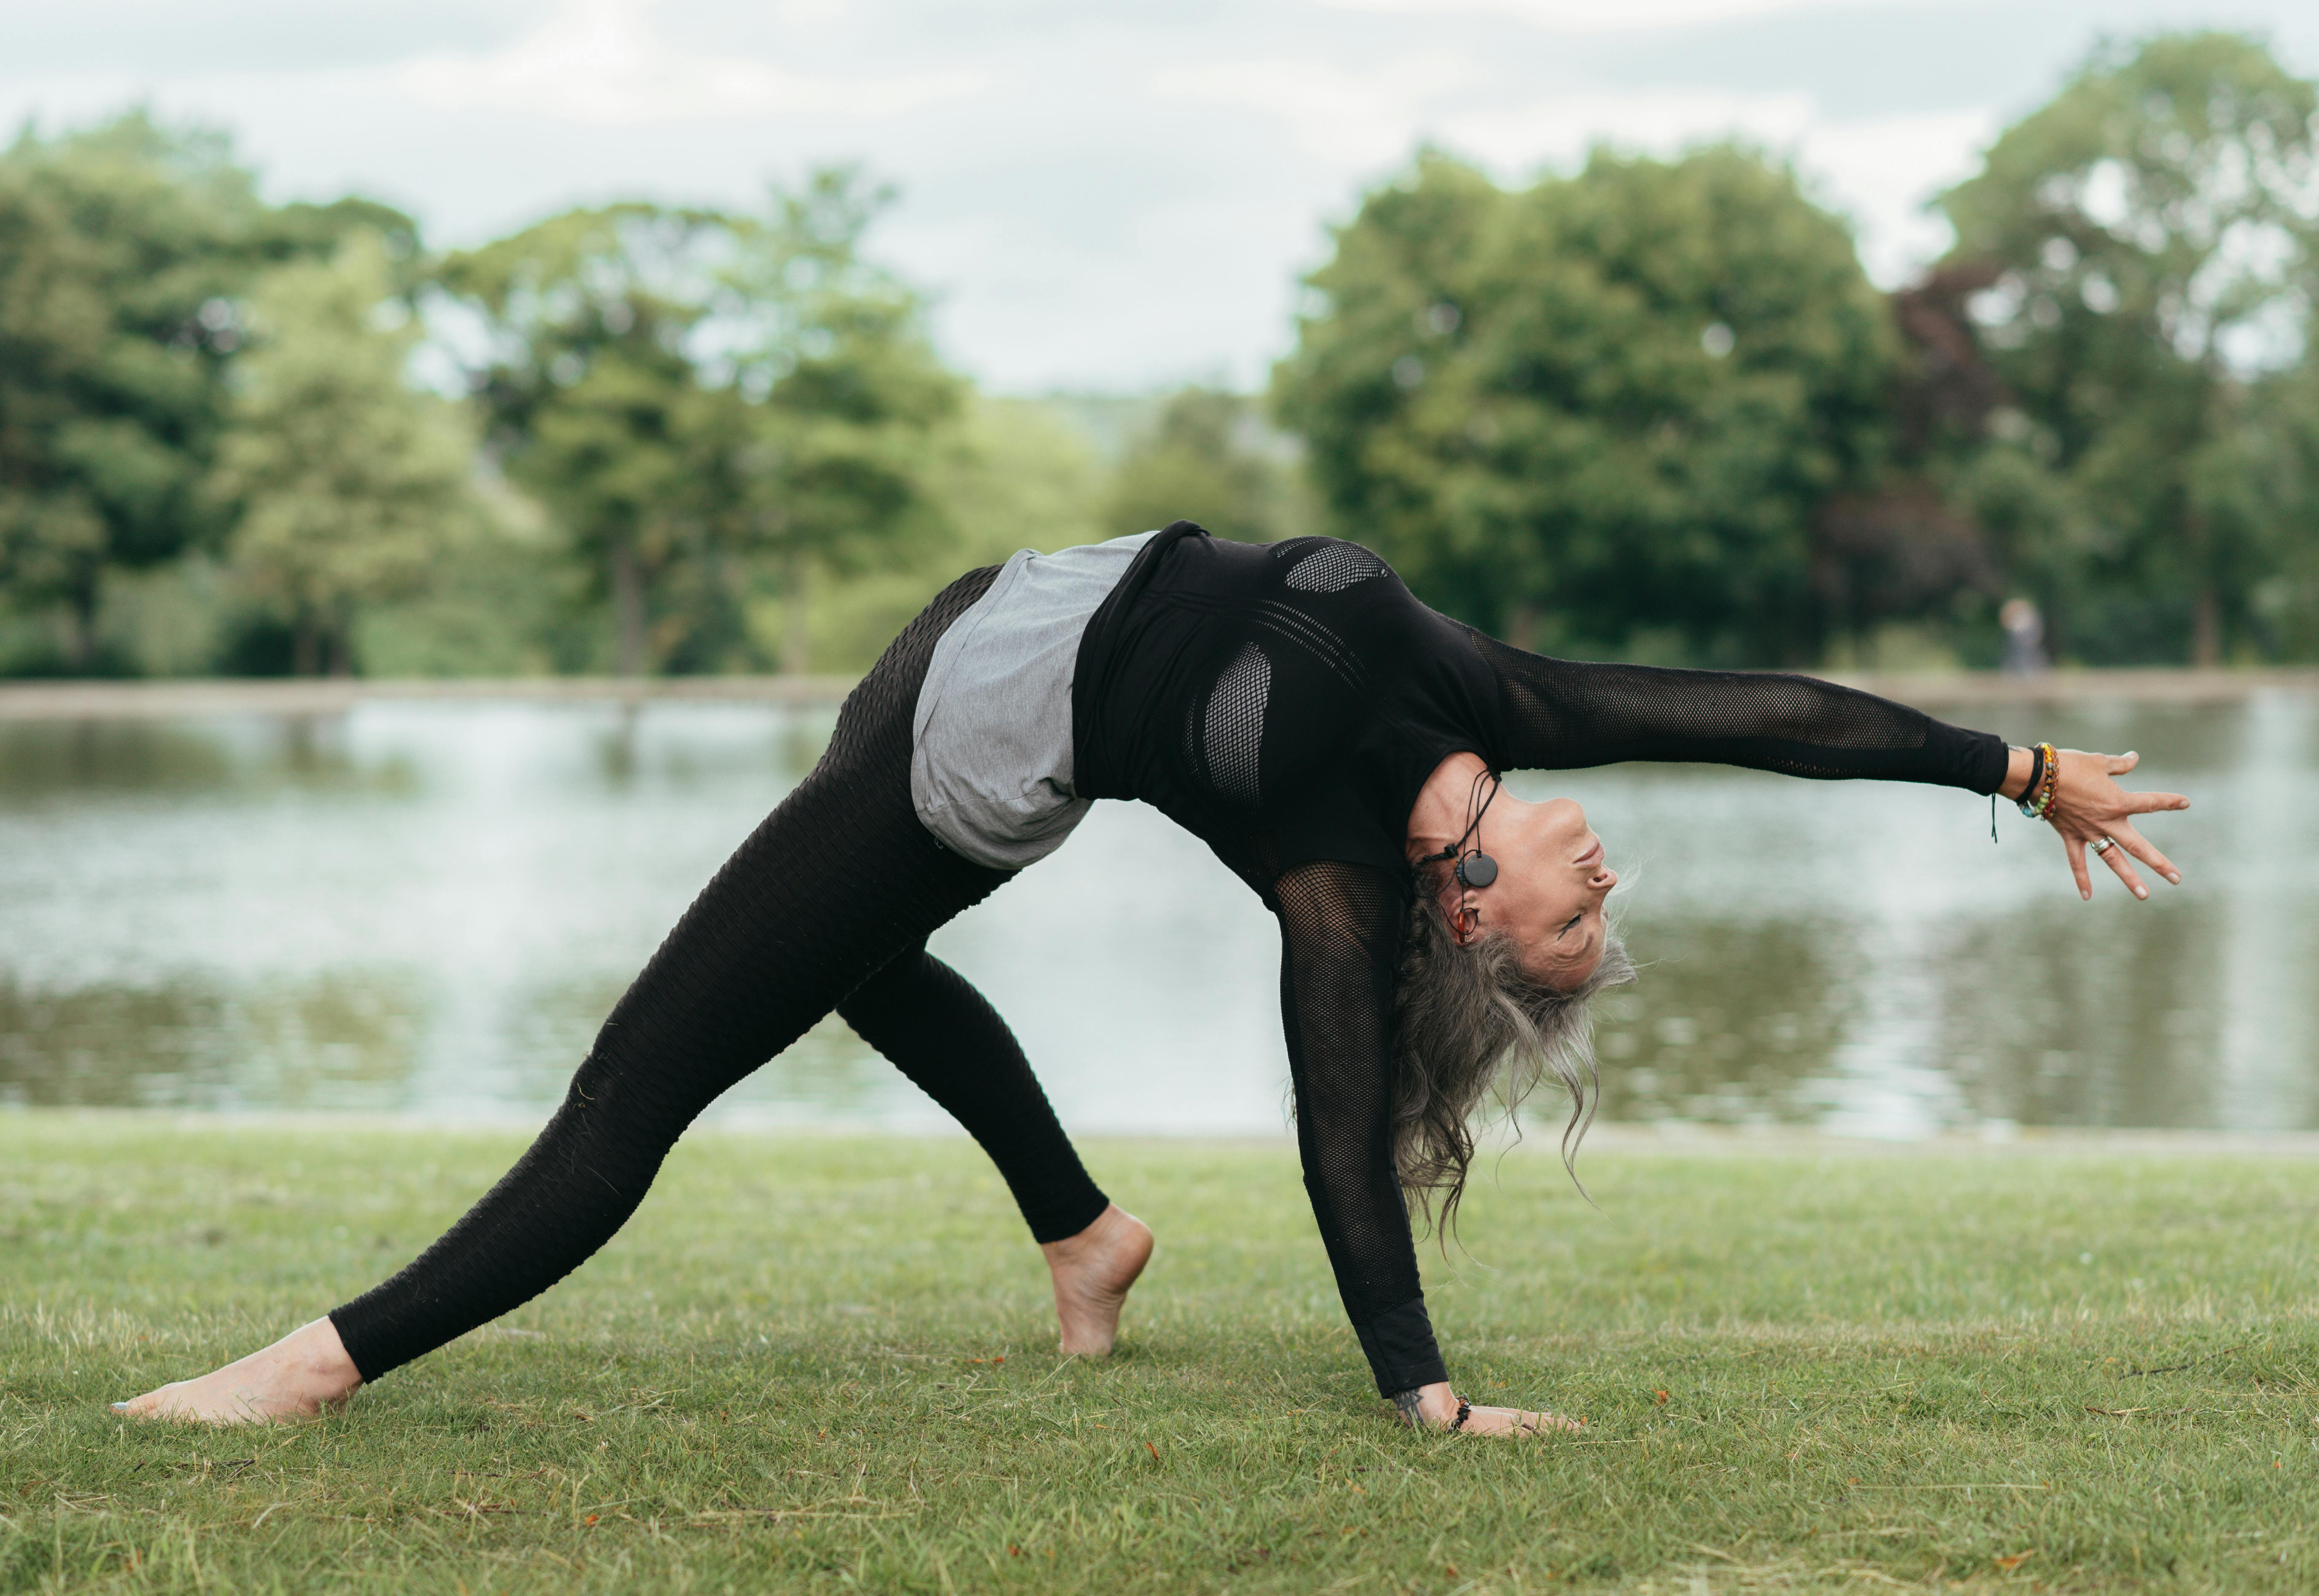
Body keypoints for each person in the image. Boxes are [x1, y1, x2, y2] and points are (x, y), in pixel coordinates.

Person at [114, 524, 2190, 1436]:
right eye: (1595, 898)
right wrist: (2014, 769)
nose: (1600, 873)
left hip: (954, 762)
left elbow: (1337, 1136)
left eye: (1577, 922)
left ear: (1467, 924)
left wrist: (1420, 1388)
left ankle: (317, 1363)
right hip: (979, 616)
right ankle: (1083, 1233)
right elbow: (1764, 716)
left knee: (635, 1081)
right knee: (848, 973)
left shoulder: (1332, 888)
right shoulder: (1501, 701)